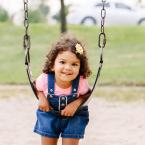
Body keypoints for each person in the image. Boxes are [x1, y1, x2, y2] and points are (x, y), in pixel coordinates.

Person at [33, 35, 92, 145]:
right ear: (52, 65)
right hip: (49, 115)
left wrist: (75, 104)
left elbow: (87, 94)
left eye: (74, 64)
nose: (68, 68)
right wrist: (42, 98)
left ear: (80, 68)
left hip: (74, 117)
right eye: (62, 62)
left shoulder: (81, 82)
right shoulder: (45, 79)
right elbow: (36, 87)